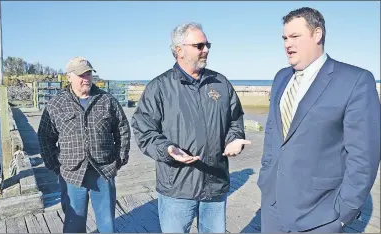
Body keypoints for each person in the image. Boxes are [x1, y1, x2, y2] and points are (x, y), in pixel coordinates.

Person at [257, 7, 380, 232]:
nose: (287, 44)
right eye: (284, 37)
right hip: (272, 208)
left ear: (317, 34)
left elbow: (364, 156)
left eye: (295, 36)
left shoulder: (355, 80)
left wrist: (344, 212)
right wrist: (266, 179)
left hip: (321, 215)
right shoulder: (281, 77)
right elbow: (273, 134)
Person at [131, 22, 251, 233]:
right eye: (199, 45)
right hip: (177, 187)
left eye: (207, 45)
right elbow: (144, 131)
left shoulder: (220, 83)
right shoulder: (159, 87)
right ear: (179, 50)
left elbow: (235, 119)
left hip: (215, 183)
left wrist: (234, 138)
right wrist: (167, 148)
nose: (205, 50)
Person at [37, 57, 131, 233]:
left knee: (107, 223)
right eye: (80, 74)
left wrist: (120, 159)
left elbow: (122, 130)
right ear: (69, 77)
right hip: (71, 173)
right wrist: (54, 166)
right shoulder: (56, 104)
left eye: (88, 73)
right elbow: (44, 137)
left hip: (104, 170)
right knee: (74, 222)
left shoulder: (107, 100)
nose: (86, 78)